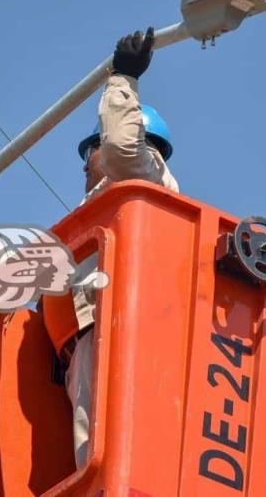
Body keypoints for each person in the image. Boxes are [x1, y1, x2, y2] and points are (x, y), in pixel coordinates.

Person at [63, 27, 179, 468]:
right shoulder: (96, 212)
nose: (85, 164)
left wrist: (123, 79)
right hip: (92, 332)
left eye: (87, 151)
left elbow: (119, 146)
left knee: (113, 446)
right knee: (92, 449)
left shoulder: (145, 176)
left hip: (127, 323)